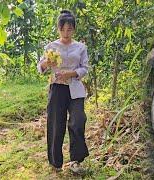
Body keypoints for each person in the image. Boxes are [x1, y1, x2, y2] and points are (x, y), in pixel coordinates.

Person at [37, 9, 89, 174]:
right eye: (63, 29)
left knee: (77, 120)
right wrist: (47, 62)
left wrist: (71, 73)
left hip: (75, 88)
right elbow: (40, 68)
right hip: (57, 88)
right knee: (56, 124)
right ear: (58, 29)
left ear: (74, 29)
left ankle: (76, 160)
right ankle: (56, 162)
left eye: (69, 29)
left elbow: (85, 68)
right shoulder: (51, 46)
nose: (66, 33)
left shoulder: (80, 47)